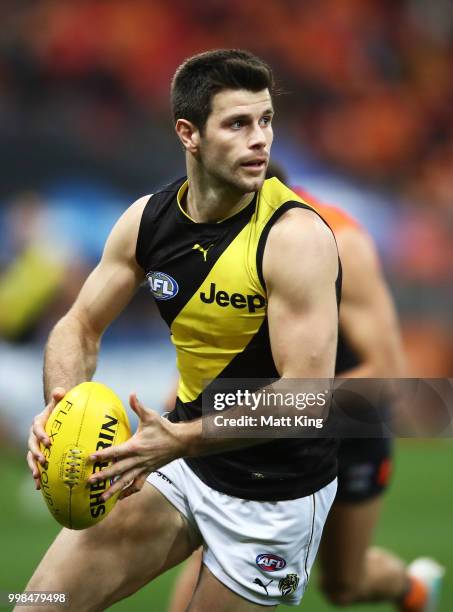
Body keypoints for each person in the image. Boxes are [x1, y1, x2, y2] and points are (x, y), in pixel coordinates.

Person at [24, 50, 341, 611]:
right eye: (238, 123)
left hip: (275, 493)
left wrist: (180, 437)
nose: (260, 140)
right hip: (181, 462)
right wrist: (61, 405)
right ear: (188, 133)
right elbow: (78, 326)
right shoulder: (147, 221)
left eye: (265, 120)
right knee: (40, 604)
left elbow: (308, 399)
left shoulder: (296, 237)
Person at [167, 163, 445, 612]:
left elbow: (387, 371)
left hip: (348, 422)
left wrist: (290, 404)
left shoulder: (339, 241)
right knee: (212, 549)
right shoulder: (214, 239)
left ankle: (410, 590)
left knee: (344, 584)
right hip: (264, 420)